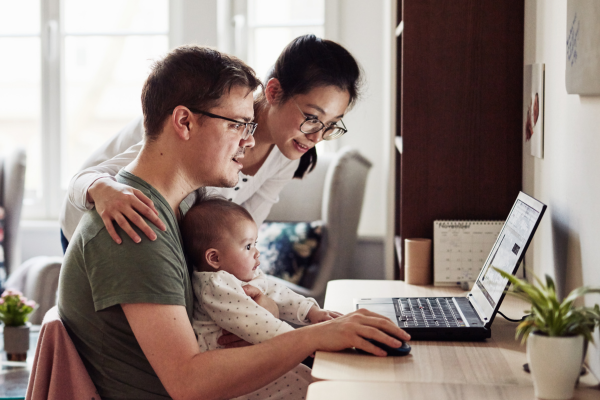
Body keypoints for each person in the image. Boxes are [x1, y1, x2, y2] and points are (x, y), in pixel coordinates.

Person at [58, 45, 410, 400]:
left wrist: (263, 308)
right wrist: (312, 337)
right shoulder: (138, 221)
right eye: (239, 125)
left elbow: (239, 249)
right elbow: (190, 382)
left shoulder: (190, 204)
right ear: (185, 122)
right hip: (100, 214)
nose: (251, 139)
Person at [59, 34, 362, 251]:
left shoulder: (286, 153)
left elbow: (242, 230)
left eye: (331, 126)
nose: (317, 137)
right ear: (273, 91)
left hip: (153, 231)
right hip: (88, 218)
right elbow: (82, 180)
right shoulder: (206, 123)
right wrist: (103, 189)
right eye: (311, 117)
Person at [182, 196, 341, 399]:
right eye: (248, 246)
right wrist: (305, 343)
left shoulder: (244, 276)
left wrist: (312, 312)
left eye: (255, 243)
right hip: (231, 374)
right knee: (304, 385)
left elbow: (278, 292)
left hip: (257, 353)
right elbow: (255, 322)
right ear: (214, 258)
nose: (257, 253)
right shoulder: (215, 286)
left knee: (309, 379)